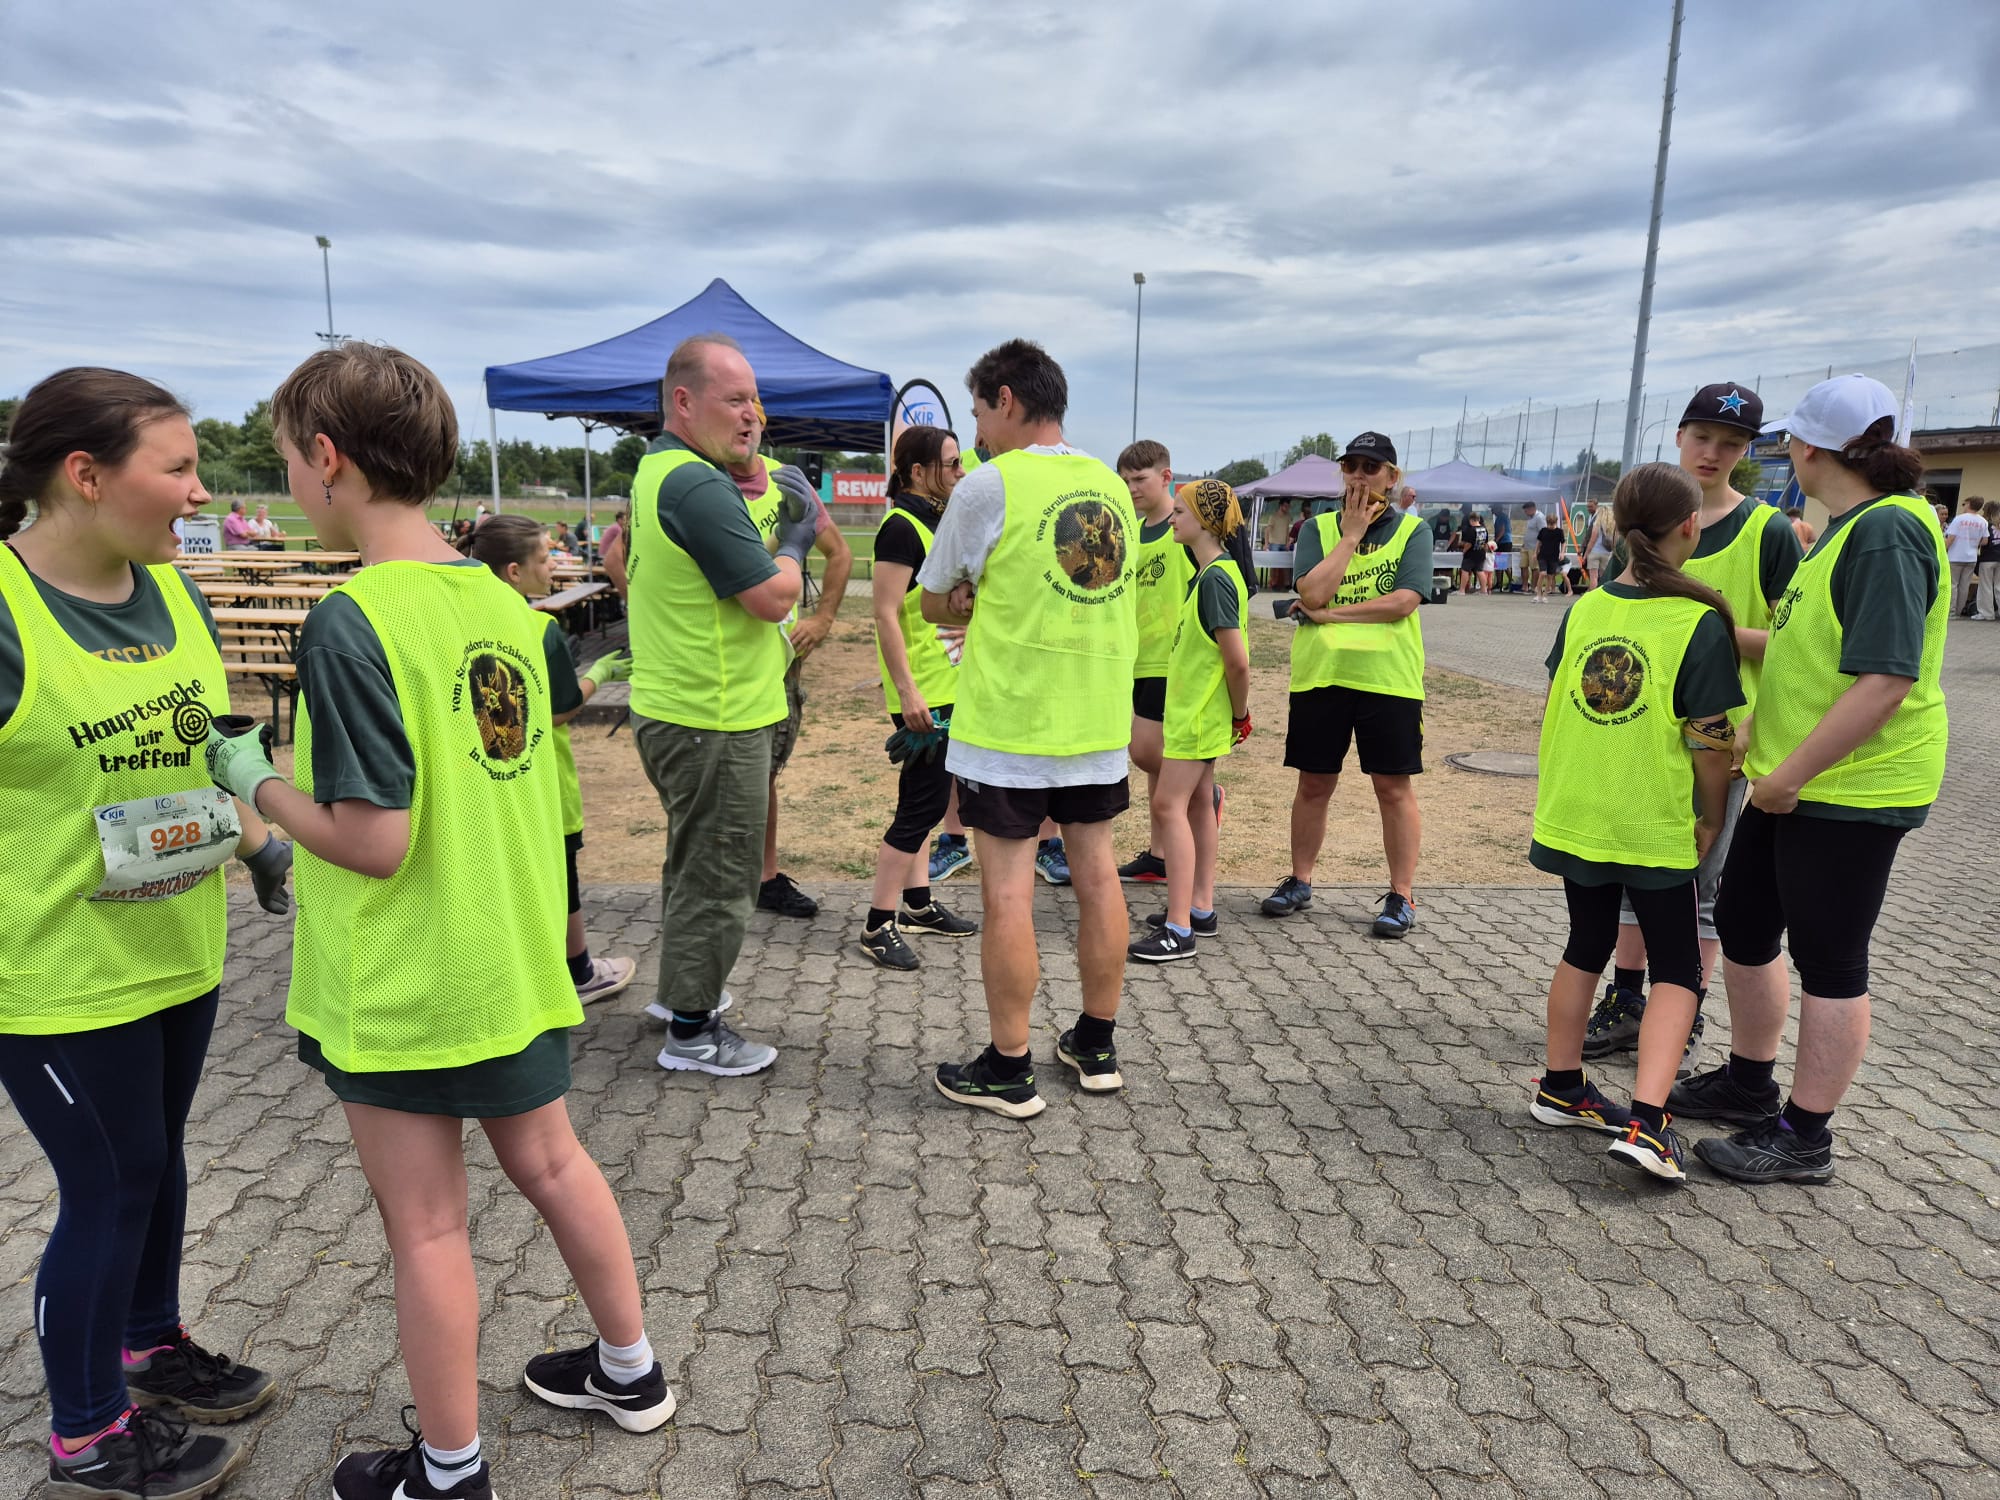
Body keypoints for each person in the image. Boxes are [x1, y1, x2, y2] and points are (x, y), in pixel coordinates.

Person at [203, 343, 673, 1500]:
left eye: (287, 459)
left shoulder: (352, 620)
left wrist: (252, 778)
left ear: (326, 459)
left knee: (426, 1229)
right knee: (555, 1165)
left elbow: (375, 839)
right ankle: (630, 1370)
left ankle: (450, 1471)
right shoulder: (504, 604)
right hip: (510, 955)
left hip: (407, 978)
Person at [0, 368, 294, 1499]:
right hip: (52, 974)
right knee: (110, 1183)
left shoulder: (179, 595)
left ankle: (149, 1342)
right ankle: (86, 1433)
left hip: (176, 949)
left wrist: (261, 847)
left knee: (157, 1158)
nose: (200, 490)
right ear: (86, 475)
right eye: (178, 467)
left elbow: (201, 749)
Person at [1671, 375, 1949, 1185]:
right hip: (1790, 777)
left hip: (1850, 788)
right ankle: (1749, 1082)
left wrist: (1788, 774)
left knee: (1831, 958)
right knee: (1747, 925)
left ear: (1810, 448)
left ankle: (1805, 1135)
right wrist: (1760, 734)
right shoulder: (1845, 529)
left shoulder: (1887, 531)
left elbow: (1885, 679)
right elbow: (1812, 657)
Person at [917, 339, 1138, 1117]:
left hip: (1011, 722)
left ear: (1005, 399)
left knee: (1008, 893)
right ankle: (1096, 1043)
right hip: (1097, 719)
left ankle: (1009, 1067)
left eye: (978, 411)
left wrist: (966, 600)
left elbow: (933, 599)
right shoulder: (1110, 485)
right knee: (1098, 876)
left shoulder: (990, 484)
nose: (977, 429)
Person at [1526, 463, 1744, 1181]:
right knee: (1677, 966)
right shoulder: (1697, 620)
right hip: (1649, 818)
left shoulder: (1585, 608)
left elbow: (1558, 700)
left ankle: (1561, 1087)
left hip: (1578, 809)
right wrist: (1711, 817)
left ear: (1616, 527)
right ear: (1691, 526)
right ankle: (1649, 1125)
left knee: (1585, 943)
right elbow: (1710, 742)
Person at [1584, 385, 1803, 1074]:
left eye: (1731, 443)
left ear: (1748, 452)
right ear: (1679, 435)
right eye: (1703, 437)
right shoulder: (1645, 516)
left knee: (1701, 888)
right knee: (1631, 875)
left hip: (1720, 740)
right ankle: (1626, 1000)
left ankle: (1686, 1010)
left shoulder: (1767, 531)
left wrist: (1711, 631)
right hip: (1639, 736)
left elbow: (1798, 642)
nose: (1713, 453)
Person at [623, 337, 813, 1075]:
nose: (752, 415)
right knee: (721, 877)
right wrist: (795, 539)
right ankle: (694, 1032)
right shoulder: (697, 486)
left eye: (754, 401)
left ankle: (682, 995)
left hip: (682, 708)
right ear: (683, 401)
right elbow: (771, 597)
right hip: (715, 717)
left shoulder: (661, 468)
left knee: (692, 862)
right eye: (734, 400)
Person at [458, 514, 639, 1004]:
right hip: (543, 781)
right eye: (544, 559)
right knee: (561, 876)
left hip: (480, 779)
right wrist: (600, 674)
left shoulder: (457, 622)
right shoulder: (540, 628)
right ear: (514, 572)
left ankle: (508, 975)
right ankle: (578, 972)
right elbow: (559, 710)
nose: (553, 566)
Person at [1263, 432, 1430, 938]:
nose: (1359, 476)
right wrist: (1351, 535)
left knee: (1392, 788)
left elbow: (1402, 602)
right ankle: (1300, 880)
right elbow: (1311, 591)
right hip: (1322, 675)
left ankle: (1401, 894)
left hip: (1388, 679)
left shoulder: (1413, 531)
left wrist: (1333, 616)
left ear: (1392, 477)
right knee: (1313, 783)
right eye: (1351, 466)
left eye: (1370, 468)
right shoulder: (1318, 528)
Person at [718, 402, 854, 921]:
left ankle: (765, 877)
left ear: (763, 424)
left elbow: (839, 553)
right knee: (721, 773)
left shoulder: (786, 481)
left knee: (766, 772)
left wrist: (822, 620)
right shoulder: (700, 482)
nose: (745, 423)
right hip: (720, 658)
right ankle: (723, 880)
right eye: (733, 410)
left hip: (778, 659)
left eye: (753, 413)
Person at [857, 425, 980, 968]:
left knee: (928, 802)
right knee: (920, 806)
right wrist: (907, 692)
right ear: (917, 472)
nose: (960, 471)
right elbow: (885, 613)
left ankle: (918, 904)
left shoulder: (937, 521)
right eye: (951, 464)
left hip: (947, 685)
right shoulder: (900, 527)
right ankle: (877, 924)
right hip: (923, 694)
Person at [1128, 480, 1250, 962]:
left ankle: (1179, 929)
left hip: (1197, 717)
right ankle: (1200, 908)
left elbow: (1236, 661)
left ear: (1204, 521)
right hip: (1194, 714)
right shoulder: (1208, 574)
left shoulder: (1216, 578)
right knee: (1199, 804)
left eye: (1180, 512)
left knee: (1168, 806)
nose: (1173, 519)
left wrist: (1240, 714)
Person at [1111, 439, 1190, 886]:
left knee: (1147, 751)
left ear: (1166, 477)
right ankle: (1159, 855)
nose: (1132, 488)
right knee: (1153, 761)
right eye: (1125, 480)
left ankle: (1203, 795)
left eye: (1139, 479)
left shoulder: (1184, 530)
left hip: (1173, 659)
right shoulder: (1130, 532)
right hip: (1136, 659)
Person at [1944, 494, 1989, 617]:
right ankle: (1959, 611)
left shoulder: (1959, 519)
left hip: (1955, 556)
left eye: (1964, 504)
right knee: (1964, 586)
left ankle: (1951, 611)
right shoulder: (1983, 521)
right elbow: (1985, 541)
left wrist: (1943, 550)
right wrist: (1973, 543)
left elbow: (1951, 538)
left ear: (1969, 504)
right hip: (1971, 557)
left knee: (1953, 584)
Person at [1975, 498, 2000, 620]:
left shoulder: (1985, 524)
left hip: (1988, 558)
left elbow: (1983, 541)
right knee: (1999, 586)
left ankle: (1987, 613)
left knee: (1986, 586)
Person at [1262, 497, 1294, 589]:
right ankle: (1273, 582)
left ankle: (1287, 583)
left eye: (1288, 506)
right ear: (1281, 506)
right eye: (1286, 506)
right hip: (1274, 543)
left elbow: (1287, 530)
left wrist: (1287, 543)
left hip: (1284, 543)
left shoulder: (1287, 517)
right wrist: (1266, 544)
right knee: (1274, 564)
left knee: (1286, 564)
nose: (1287, 508)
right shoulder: (1273, 517)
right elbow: (1267, 530)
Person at [1535, 505, 1565, 600]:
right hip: (1543, 555)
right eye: (1549, 524)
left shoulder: (1559, 532)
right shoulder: (1543, 531)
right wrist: (1535, 552)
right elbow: (1539, 542)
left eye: (1552, 524)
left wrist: (1562, 553)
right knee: (1542, 573)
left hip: (1554, 556)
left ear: (1555, 523)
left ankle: (1545, 595)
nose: (1551, 526)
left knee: (1550, 576)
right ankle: (1538, 593)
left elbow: (1563, 542)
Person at [1455, 509, 1489, 595]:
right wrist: (1485, 551)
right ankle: (1484, 590)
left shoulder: (1472, 530)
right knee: (1480, 571)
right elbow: (1486, 543)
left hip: (1471, 554)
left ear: (1471, 520)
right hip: (1481, 553)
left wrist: (1464, 551)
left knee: (1465, 570)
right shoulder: (1484, 529)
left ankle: (1462, 590)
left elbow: (1469, 544)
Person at [1583, 496, 1614, 586]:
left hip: (1594, 552)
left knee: (1593, 577)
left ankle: (1594, 593)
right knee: (1604, 577)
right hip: (1607, 552)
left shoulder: (1597, 524)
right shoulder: (1612, 525)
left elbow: (1592, 541)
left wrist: (1585, 555)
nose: (1588, 508)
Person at [601, 509, 629, 598]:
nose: (626, 522)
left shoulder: (614, 527)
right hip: (606, 555)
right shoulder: (617, 529)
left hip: (605, 554)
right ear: (619, 520)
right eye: (624, 519)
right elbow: (626, 542)